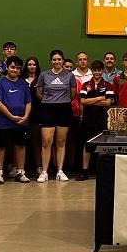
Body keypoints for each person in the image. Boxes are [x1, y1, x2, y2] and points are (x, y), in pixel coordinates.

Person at [36, 50, 77, 182]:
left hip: (64, 109)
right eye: (54, 59)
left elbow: (73, 94)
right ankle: (44, 172)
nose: (57, 61)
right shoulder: (44, 75)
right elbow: (39, 93)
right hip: (47, 110)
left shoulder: (70, 76)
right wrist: (50, 101)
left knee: (61, 141)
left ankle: (60, 171)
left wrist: (61, 101)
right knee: (47, 141)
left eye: (59, 59)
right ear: (51, 61)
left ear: (63, 61)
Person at [0, 56, 32, 184]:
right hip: (4, 122)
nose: (15, 70)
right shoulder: (0, 82)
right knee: (0, 147)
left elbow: (28, 102)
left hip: (21, 122)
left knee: (20, 146)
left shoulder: (23, 83)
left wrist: (25, 117)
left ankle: (20, 173)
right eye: (12, 67)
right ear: (7, 68)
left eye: (17, 68)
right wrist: (11, 117)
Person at [77, 60, 114, 181]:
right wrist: (99, 98)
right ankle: (84, 171)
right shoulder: (86, 84)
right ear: (91, 71)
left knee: (101, 145)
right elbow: (82, 101)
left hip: (101, 119)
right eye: (95, 70)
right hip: (88, 119)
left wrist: (91, 101)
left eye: (99, 70)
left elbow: (108, 103)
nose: (97, 72)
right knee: (87, 145)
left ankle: (101, 172)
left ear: (102, 71)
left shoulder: (108, 85)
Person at [22, 57, 43, 177]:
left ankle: (39, 167)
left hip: (37, 115)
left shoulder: (41, 79)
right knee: (21, 142)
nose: (31, 66)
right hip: (22, 114)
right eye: (29, 64)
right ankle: (20, 168)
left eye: (34, 64)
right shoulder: (21, 80)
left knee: (36, 141)